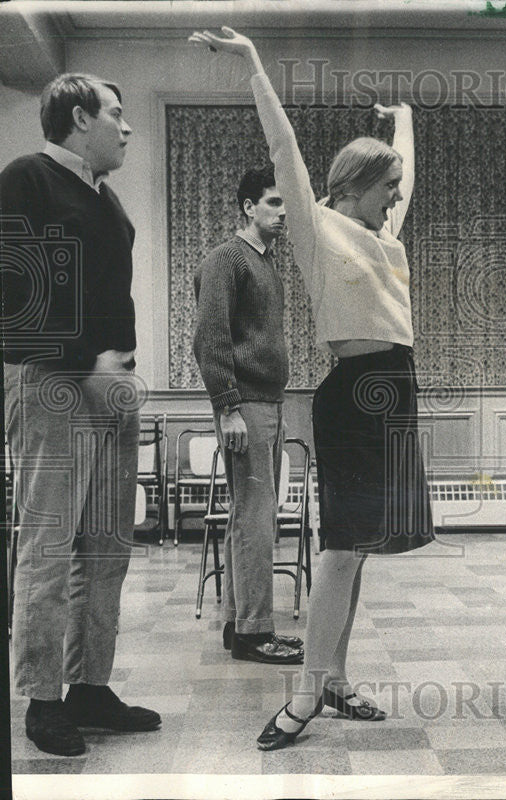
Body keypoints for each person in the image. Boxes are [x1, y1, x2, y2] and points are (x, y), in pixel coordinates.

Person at [189, 27, 435, 750]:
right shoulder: (317, 228)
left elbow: (408, 175)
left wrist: (406, 123)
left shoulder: (386, 235)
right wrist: (253, 63)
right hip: (357, 392)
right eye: (385, 186)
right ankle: (302, 696)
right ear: (352, 185)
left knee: (358, 551)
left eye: (396, 189)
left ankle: (334, 679)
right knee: (341, 548)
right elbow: (284, 147)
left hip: (398, 389)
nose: (396, 196)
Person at [1, 74, 161, 756]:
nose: (127, 128)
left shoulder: (106, 196)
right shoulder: (27, 180)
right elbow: (13, 303)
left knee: (106, 549)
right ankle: (42, 701)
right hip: (53, 386)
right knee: (47, 550)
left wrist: (119, 369)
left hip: (107, 388)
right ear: (76, 116)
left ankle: (89, 687)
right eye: (116, 115)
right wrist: (90, 359)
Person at [193, 166, 304, 664]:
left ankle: (241, 626)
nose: (283, 213)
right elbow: (209, 339)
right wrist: (229, 409)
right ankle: (256, 632)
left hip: (269, 406)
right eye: (274, 203)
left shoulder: (265, 263)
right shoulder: (227, 259)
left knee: (255, 518)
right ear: (248, 206)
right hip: (246, 409)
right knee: (256, 520)